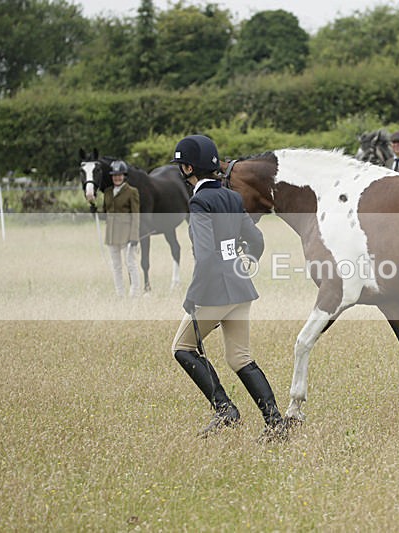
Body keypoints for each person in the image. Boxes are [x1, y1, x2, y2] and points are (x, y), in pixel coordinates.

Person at [169, 134, 285, 440]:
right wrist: (242, 261)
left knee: (182, 348)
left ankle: (225, 409)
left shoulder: (199, 201)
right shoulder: (233, 198)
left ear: (188, 169)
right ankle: (274, 422)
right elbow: (256, 241)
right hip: (240, 288)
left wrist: (193, 297)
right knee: (240, 358)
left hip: (214, 292)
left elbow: (206, 257)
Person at [103, 160, 141, 297]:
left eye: (119, 175)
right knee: (116, 266)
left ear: (124, 176)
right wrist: (93, 209)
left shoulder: (132, 192)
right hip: (111, 235)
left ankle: (135, 293)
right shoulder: (107, 192)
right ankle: (120, 294)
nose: (117, 178)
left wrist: (134, 237)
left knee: (130, 263)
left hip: (127, 235)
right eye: (114, 175)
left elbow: (136, 216)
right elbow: (104, 214)